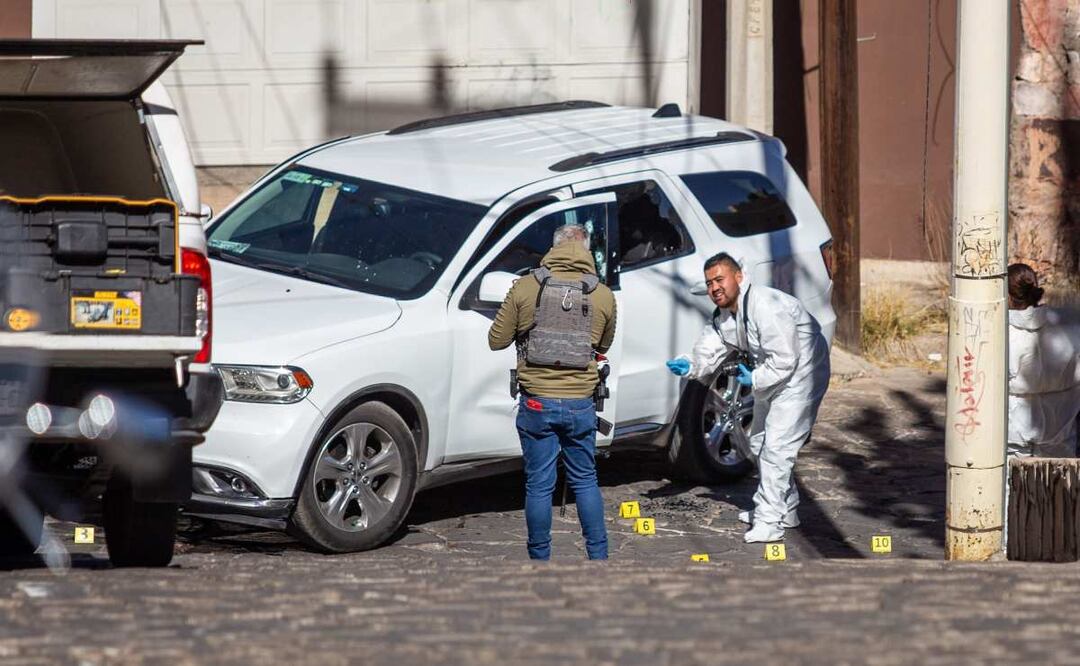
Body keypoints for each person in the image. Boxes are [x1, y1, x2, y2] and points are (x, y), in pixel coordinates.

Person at [666, 252, 830, 543]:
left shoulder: (765, 306)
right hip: (773, 376)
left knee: (777, 449)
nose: (715, 287)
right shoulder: (726, 316)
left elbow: (785, 358)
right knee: (757, 443)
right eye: (709, 283)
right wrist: (691, 365)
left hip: (803, 375)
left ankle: (769, 521)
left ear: (738, 277)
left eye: (720, 279)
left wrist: (754, 379)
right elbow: (711, 346)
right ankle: (786, 507)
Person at [488, 224, 617, 560]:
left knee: (538, 485)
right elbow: (603, 344)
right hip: (579, 404)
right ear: (587, 249)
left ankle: (540, 560)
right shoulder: (602, 294)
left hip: (536, 401)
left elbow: (496, 340)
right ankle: (599, 558)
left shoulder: (526, 287)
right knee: (586, 481)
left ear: (553, 247)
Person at [1007, 263, 1080, 457]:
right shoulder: (1066, 324)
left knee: (1008, 486)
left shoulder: (1000, 332)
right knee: (1059, 485)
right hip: (1061, 431)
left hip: (1013, 434)